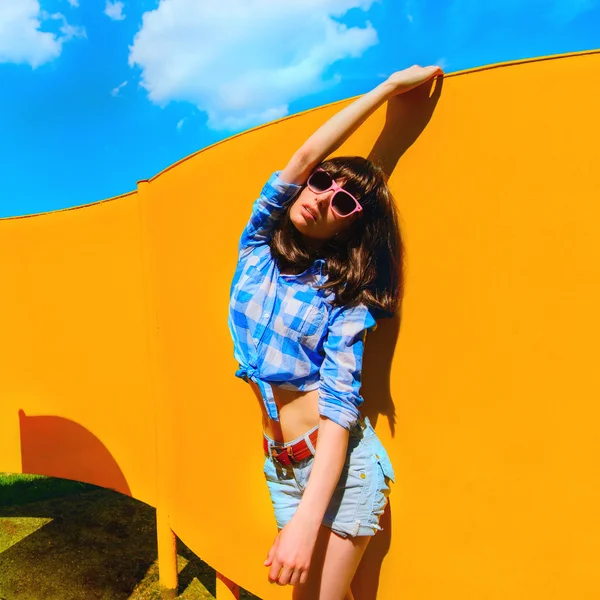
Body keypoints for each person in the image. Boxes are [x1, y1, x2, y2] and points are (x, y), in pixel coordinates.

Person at [228, 64, 444, 599]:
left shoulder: (343, 296)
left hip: (340, 470)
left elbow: (340, 406)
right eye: (323, 181)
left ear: (352, 226)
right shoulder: (256, 244)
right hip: (281, 466)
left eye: (343, 202)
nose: (322, 195)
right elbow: (301, 160)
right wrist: (388, 88)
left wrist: (305, 524)